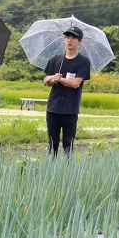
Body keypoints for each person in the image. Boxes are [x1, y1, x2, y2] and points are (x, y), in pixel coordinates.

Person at [42, 27, 91, 155]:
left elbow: (75, 83)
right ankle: (51, 169)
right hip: (53, 107)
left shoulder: (83, 61)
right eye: (67, 37)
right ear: (64, 40)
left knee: (68, 144)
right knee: (53, 143)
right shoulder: (55, 59)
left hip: (70, 108)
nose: (70, 40)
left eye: (74, 38)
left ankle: (68, 170)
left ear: (80, 42)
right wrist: (53, 79)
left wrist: (60, 79)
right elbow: (46, 80)